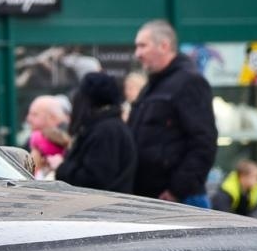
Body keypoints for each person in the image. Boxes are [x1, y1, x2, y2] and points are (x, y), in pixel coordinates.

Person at [127, 19, 218, 207]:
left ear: (164, 45)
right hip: (153, 199)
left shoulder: (189, 82)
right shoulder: (154, 85)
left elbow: (204, 142)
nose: (138, 54)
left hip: (181, 202)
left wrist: (177, 190)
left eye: (143, 46)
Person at [55, 73, 135, 192]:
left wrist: (62, 168)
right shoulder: (107, 126)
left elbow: (94, 180)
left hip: (103, 207)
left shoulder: (106, 131)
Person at [23, 94, 71, 179]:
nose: (28, 119)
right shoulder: (32, 138)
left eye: (34, 114)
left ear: (52, 118)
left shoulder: (67, 142)